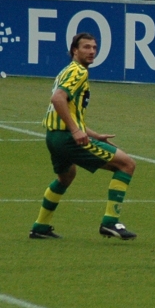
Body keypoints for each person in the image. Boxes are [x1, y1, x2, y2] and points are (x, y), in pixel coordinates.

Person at [30, 33, 137, 240]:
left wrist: (94, 134)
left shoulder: (66, 71)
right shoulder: (78, 72)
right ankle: (110, 222)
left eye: (94, 48)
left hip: (53, 137)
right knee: (127, 165)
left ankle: (40, 227)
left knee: (66, 176)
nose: (92, 51)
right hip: (66, 138)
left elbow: (68, 109)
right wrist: (76, 131)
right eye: (86, 47)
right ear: (74, 51)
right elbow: (58, 99)